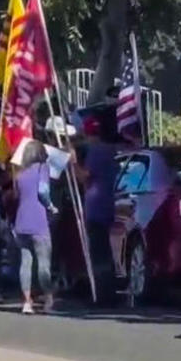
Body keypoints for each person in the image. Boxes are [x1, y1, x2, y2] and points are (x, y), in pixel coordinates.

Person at [73, 115, 119, 305]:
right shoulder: (110, 150)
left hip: (96, 206)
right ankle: (108, 291)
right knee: (106, 251)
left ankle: (101, 294)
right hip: (108, 203)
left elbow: (84, 176)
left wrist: (73, 162)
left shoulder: (95, 152)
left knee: (98, 252)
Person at [14, 140, 57, 314]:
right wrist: (51, 206)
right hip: (38, 220)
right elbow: (43, 191)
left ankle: (27, 301)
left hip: (21, 220)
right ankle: (48, 299)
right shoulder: (42, 168)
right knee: (43, 263)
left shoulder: (20, 174)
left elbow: (18, 195)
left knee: (25, 263)